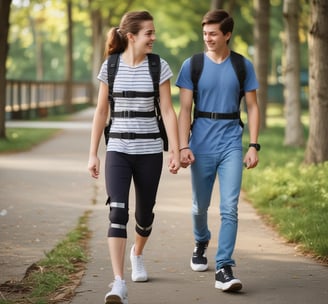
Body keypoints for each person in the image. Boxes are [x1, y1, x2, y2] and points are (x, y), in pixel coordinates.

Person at [88, 11, 180, 304]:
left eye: (154, 32)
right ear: (131, 37)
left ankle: (137, 253)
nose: (154, 38)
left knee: (144, 215)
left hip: (150, 151)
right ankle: (118, 283)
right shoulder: (110, 66)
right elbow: (102, 112)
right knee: (117, 213)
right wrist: (93, 154)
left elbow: (167, 110)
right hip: (117, 149)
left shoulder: (158, 66)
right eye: (149, 33)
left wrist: (175, 151)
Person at [176, 9, 260, 292]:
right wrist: (183, 146)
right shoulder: (193, 65)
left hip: (231, 145)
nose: (208, 38)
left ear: (227, 35)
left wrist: (253, 145)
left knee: (230, 208)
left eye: (213, 34)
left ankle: (224, 266)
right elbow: (184, 108)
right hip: (199, 145)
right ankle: (201, 241)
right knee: (200, 206)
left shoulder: (242, 66)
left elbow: (253, 107)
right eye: (205, 34)